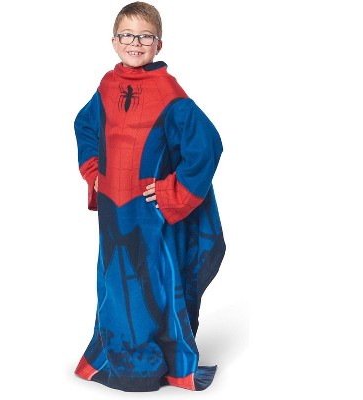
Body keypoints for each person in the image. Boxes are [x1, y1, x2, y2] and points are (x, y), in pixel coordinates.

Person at [73, 1, 226, 392]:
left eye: (145, 36)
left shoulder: (169, 94)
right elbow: (85, 124)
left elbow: (206, 146)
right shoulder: (107, 86)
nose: (135, 43)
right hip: (113, 210)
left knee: (151, 281)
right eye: (127, 35)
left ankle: (157, 363)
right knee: (115, 283)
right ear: (114, 41)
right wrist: (94, 172)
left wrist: (172, 191)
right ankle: (115, 354)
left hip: (149, 212)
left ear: (159, 44)